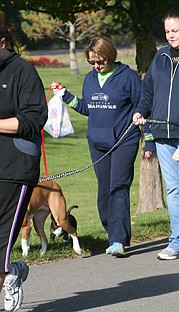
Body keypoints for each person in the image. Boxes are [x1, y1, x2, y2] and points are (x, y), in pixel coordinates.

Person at [51, 35, 141, 257]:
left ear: (110, 56)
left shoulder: (128, 76)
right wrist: (65, 96)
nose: (97, 66)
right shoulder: (90, 79)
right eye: (92, 62)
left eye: (100, 61)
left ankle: (118, 240)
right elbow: (86, 108)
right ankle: (113, 234)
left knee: (118, 187)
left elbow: (142, 105)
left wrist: (147, 135)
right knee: (103, 192)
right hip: (97, 141)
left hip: (123, 140)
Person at [132, 6, 179, 260]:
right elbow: (147, 90)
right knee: (173, 190)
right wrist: (141, 110)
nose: (171, 36)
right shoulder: (160, 56)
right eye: (167, 31)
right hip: (162, 133)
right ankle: (178, 241)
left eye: (175, 30)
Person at [0, 11, 48, 312]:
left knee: (1, 241)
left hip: (13, 168)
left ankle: (6, 271)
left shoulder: (22, 72)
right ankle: (11, 272)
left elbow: (34, 119)